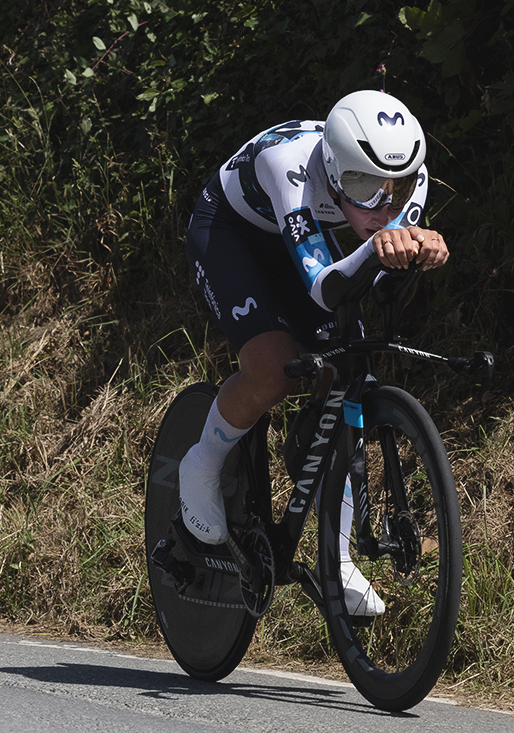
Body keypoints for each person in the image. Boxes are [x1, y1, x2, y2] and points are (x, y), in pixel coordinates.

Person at [181, 90, 450, 615]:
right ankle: (201, 464)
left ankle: (338, 557)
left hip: (314, 239)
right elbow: (325, 286)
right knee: (270, 371)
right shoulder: (292, 168)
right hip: (234, 234)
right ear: (332, 168)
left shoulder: (405, 175)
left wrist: (418, 253)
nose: (382, 205)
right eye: (361, 187)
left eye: (394, 191)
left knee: (353, 364)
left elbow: (380, 283)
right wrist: (379, 247)